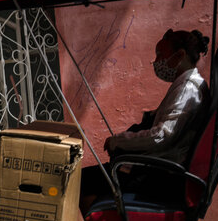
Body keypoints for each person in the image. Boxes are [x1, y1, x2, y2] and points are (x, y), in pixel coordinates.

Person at [79, 28, 210, 211]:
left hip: (161, 177)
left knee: (83, 181)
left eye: (160, 55)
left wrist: (119, 141)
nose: (156, 62)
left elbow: (160, 136)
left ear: (180, 55)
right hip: (160, 169)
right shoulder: (185, 85)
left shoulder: (187, 89)